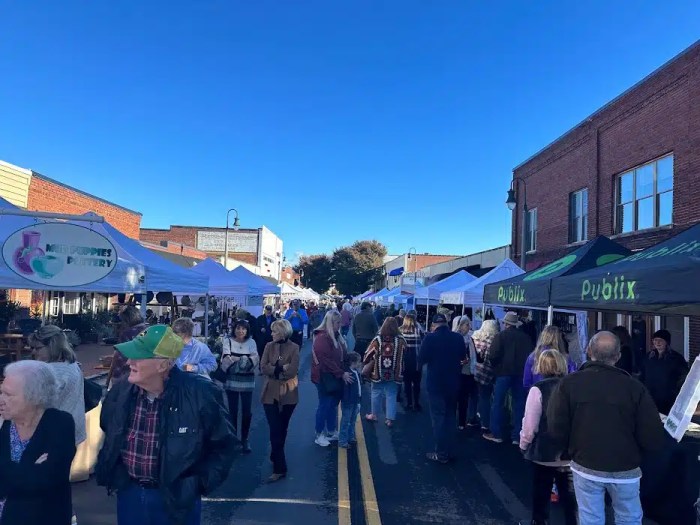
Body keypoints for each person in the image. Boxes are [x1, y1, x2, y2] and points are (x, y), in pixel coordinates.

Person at [96, 325, 236, 525]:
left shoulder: (200, 393)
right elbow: (109, 429)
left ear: (163, 365)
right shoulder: (121, 391)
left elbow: (225, 444)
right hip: (129, 494)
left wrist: (196, 485)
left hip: (176, 498)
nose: (129, 362)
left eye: (138, 357)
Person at [547, 331, 665, 525]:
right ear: (618, 356)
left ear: (588, 351)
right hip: (626, 466)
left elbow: (556, 424)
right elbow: (651, 433)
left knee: (590, 517)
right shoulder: (634, 388)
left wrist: (566, 450)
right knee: (629, 518)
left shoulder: (569, 384)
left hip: (586, 463)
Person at [0, 360, 76, 525]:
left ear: (34, 396)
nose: (1, 400)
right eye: (1, 393)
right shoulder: (4, 425)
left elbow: (48, 479)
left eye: (8, 395)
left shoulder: (60, 423)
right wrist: (30, 469)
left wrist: (9, 473)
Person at [520, 350, 577, 525]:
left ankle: (539, 522)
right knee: (569, 497)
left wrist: (524, 443)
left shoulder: (538, 389)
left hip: (544, 451)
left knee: (541, 492)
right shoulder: (574, 387)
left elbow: (530, 423)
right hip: (569, 451)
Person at [418, 313, 467, 464]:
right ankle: (450, 450)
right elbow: (463, 358)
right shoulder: (458, 338)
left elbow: (421, 359)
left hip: (436, 384)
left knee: (438, 418)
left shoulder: (430, 338)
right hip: (453, 383)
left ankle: (441, 453)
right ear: (446, 323)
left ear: (433, 325)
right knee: (451, 417)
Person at [28, 325, 86, 447]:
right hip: (71, 431)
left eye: (37, 348)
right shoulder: (71, 365)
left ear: (52, 346)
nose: (33, 352)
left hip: (52, 436)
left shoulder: (52, 372)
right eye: (32, 348)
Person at [484, 311, 533, 445]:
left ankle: (496, 433)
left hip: (503, 373)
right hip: (520, 374)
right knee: (519, 404)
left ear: (506, 324)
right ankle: (517, 436)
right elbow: (530, 356)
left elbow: (492, 355)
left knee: (497, 403)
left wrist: (496, 369)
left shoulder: (500, 336)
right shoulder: (526, 338)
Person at [260, 319, 300, 482]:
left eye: (274, 331)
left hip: (288, 393)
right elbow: (263, 367)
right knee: (275, 429)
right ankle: (280, 467)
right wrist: (279, 368)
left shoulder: (294, 348)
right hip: (270, 393)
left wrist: (274, 370)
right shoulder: (269, 346)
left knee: (282, 428)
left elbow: (292, 371)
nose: (272, 334)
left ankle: (275, 453)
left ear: (283, 332)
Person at [311, 310, 351, 446]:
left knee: (332, 405)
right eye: (337, 322)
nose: (340, 325)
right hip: (324, 376)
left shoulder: (335, 336)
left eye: (340, 322)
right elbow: (325, 360)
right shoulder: (323, 338)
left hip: (332, 376)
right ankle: (319, 433)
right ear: (330, 323)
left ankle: (331, 430)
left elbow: (341, 355)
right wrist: (341, 373)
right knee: (325, 405)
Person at [220, 319, 260, 453]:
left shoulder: (252, 342)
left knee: (247, 412)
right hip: (232, 381)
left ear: (247, 330)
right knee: (232, 411)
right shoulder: (228, 341)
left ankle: (244, 439)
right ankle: (233, 439)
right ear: (234, 329)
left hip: (247, 381)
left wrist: (239, 360)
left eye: (243, 329)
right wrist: (244, 361)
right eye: (238, 328)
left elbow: (255, 359)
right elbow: (226, 359)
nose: (240, 331)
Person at [363, 317, 406, 427]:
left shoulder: (378, 339)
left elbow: (368, 354)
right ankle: (389, 419)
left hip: (378, 372)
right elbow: (406, 354)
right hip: (395, 373)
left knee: (376, 392)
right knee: (391, 394)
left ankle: (374, 415)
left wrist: (366, 362)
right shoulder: (401, 340)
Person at [640, 329, 689, 415]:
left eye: (660, 340)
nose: (657, 342)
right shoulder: (649, 357)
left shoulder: (675, 358)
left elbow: (683, 377)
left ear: (666, 342)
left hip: (668, 398)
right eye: (655, 340)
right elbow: (643, 374)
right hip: (650, 396)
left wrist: (675, 391)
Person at [522, 325, 577, 390]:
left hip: (538, 392)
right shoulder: (564, 357)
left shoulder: (533, 356)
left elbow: (526, 382)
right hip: (559, 393)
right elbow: (573, 376)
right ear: (559, 339)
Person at [108, 305, 148, 386]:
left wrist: (115, 377)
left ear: (126, 320)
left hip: (126, 375)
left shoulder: (127, 333)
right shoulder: (147, 331)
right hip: (145, 372)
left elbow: (120, 357)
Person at [454, 316, 479, 429]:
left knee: (464, 398)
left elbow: (473, 355)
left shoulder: (470, 339)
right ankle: (453, 421)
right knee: (456, 397)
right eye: (467, 324)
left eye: (469, 324)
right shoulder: (455, 338)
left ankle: (461, 422)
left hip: (468, 372)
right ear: (460, 325)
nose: (469, 327)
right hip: (457, 372)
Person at [339, 352, 363, 448]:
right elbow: (346, 389)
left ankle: (350, 437)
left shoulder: (356, 372)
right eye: (358, 362)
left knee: (352, 420)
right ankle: (343, 440)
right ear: (353, 362)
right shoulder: (349, 374)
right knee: (346, 421)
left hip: (355, 401)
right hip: (349, 401)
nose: (359, 364)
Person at [400, 313, 424, 411]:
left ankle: (409, 403)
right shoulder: (418, 330)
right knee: (417, 383)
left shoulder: (400, 330)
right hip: (416, 360)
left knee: (407, 382)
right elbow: (424, 341)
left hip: (405, 360)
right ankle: (417, 403)